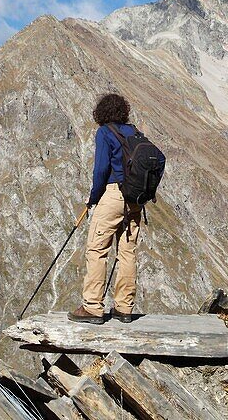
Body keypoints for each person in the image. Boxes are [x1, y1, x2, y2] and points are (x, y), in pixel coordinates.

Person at [68, 93, 143, 324]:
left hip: (112, 195)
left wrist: (93, 198)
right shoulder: (134, 132)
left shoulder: (104, 133)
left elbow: (100, 170)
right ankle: (124, 308)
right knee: (127, 252)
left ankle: (92, 307)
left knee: (97, 250)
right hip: (135, 199)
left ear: (101, 113)